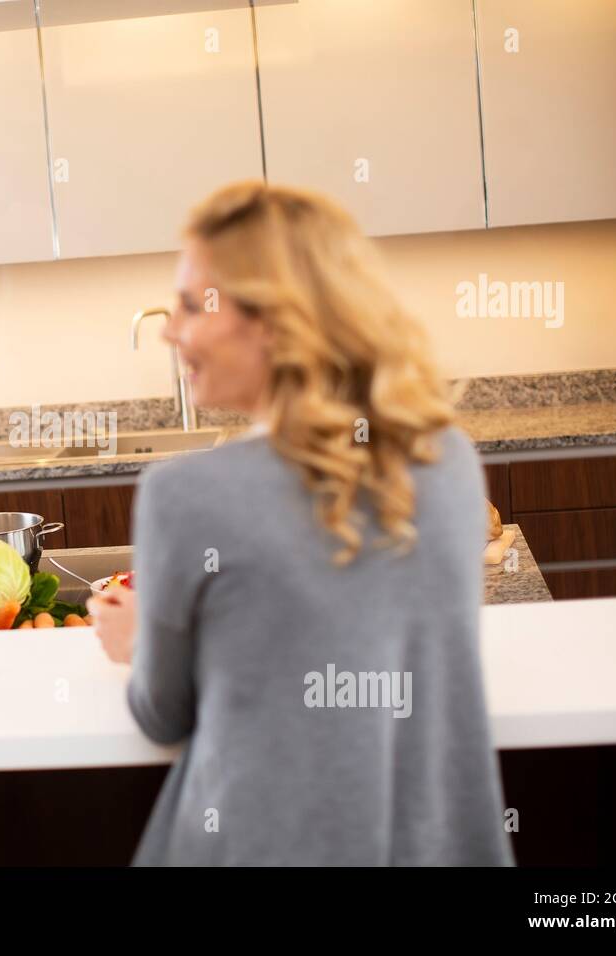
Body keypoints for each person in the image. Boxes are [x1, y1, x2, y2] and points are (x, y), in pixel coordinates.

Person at [88, 181, 512, 866]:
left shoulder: (186, 495)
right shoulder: (451, 461)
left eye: (194, 305)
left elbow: (163, 712)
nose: (170, 328)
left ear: (274, 321)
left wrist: (139, 641)